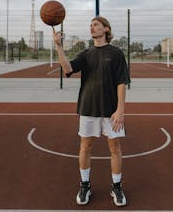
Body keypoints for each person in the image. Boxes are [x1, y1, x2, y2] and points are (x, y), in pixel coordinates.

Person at [52, 16, 129, 207]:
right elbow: (68, 69)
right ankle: (85, 185)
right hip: (88, 107)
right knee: (85, 147)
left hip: (111, 109)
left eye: (96, 24)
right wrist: (59, 47)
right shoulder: (86, 53)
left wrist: (120, 110)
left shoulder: (116, 52)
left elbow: (121, 82)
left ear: (106, 29)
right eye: (91, 25)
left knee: (115, 148)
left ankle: (116, 186)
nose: (92, 27)